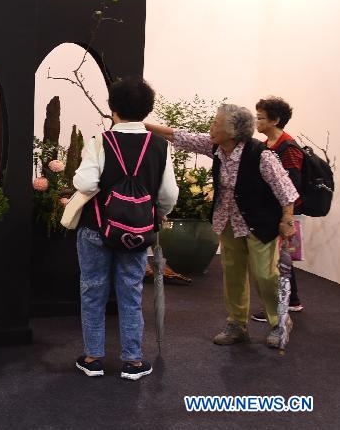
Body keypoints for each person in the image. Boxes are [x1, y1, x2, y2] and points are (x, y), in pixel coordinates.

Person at [145, 104, 298, 348]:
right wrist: (139, 125)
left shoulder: (261, 155)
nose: (211, 127)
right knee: (233, 274)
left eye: (216, 123)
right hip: (227, 221)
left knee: (264, 274)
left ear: (233, 130)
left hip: (259, 223)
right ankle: (237, 324)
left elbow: (286, 191)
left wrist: (287, 221)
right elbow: (179, 136)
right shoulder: (216, 146)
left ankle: (279, 321)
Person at [73, 77, 178, 381]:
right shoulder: (159, 146)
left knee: (93, 290)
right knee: (130, 290)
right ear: (147, 109)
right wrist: (155, 214)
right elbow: (169, 194)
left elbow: (85, 183)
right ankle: (132, 361)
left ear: (112, 109)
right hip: (136, 232)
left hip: (96, 228)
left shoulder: (99, 142)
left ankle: (93, 358)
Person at [252, 97, 305, 321]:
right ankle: (291, 302)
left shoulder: (288, 147)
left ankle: (279, 307)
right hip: (270, 210)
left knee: (275, 261)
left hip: (282, 211)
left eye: (261, 117)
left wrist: (287, 217)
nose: (257, 121)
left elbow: (292, 184)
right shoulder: (265, 146)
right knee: (280, 257)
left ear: (275, 120)